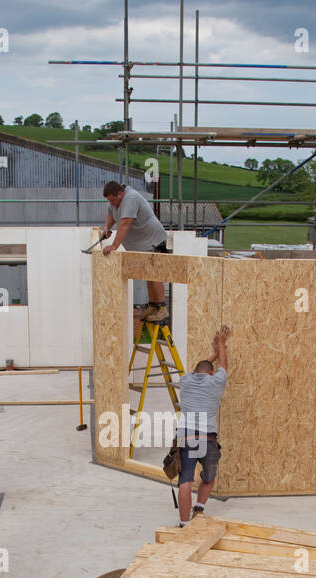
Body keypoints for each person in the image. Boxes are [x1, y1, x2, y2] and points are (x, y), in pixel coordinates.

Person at [176, 325, 231, 525]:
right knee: (209, 477)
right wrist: (222, 345)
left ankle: (184, 525)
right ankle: (199, 508)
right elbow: (224, 364)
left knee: (185, 481)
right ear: (211, 373)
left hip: (187, 436)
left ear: (196, 372)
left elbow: (201, 367)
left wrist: (213, 354)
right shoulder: (215, 383)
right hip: (207, 438)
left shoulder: (186, 380)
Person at [100, 181, 170, 323]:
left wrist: (114, 245)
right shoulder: (116, 202)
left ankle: (162, 308)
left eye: (112, 200)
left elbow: (125, 223)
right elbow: (111, 214)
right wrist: (106, 227)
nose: (111, 203)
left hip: (152, 238)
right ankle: (152, 305)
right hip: (141, 243)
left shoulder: (130, 199)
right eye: (109, 201)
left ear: (120, 194)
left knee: (154, 272)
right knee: (147, 273)